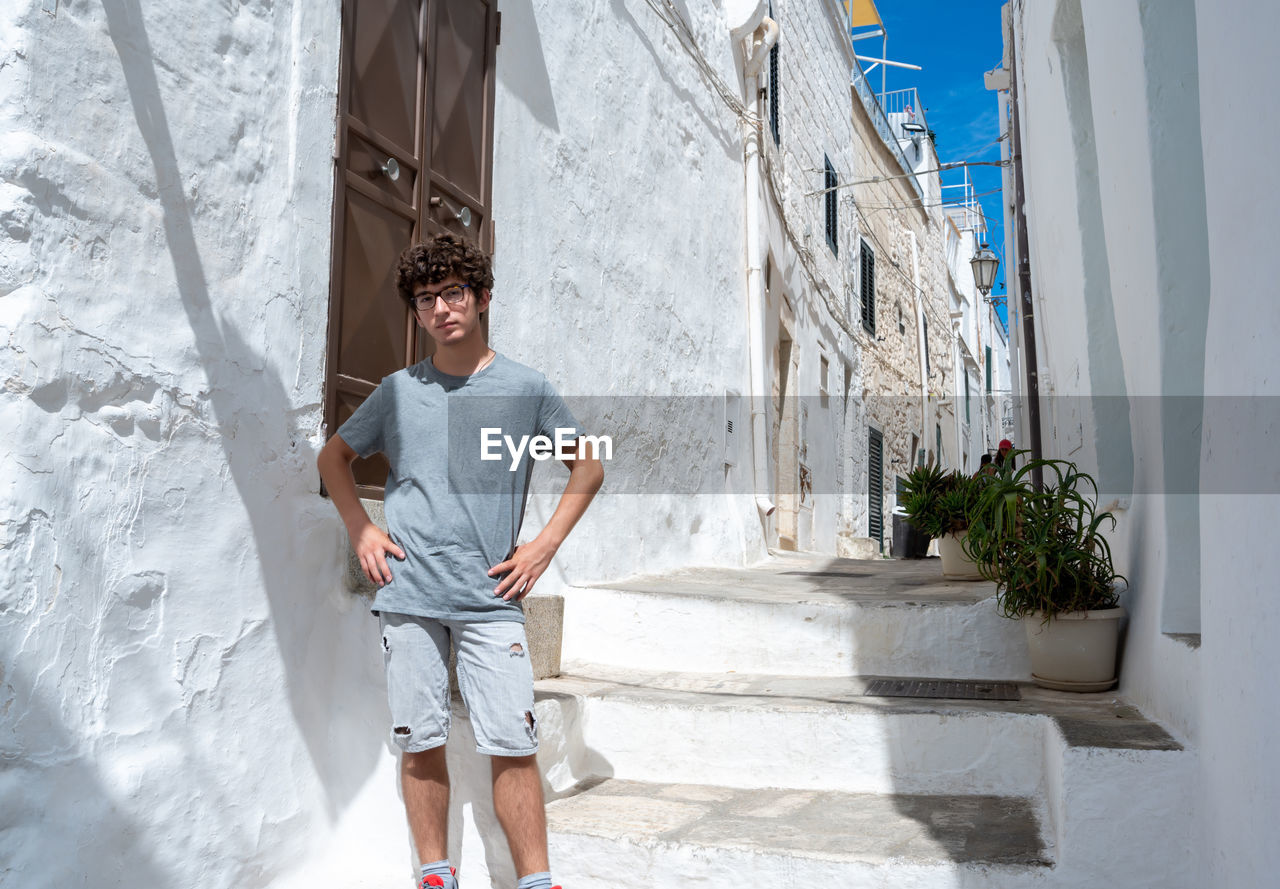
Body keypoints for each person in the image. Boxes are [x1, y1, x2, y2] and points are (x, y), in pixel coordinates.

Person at [317, 233, 604, 889]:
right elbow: (334, 458)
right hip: (410, 593)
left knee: (513, 742)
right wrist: (362, 527)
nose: (441, 307)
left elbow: (588, 464)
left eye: (452, 292)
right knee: (420, 740)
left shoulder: (528, 388)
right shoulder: (397, 391)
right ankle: (435, 875)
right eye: (426, 298)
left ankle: (536, 881)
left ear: (479, 298)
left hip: (490, 598)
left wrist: (543, 544)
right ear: (416, 312)